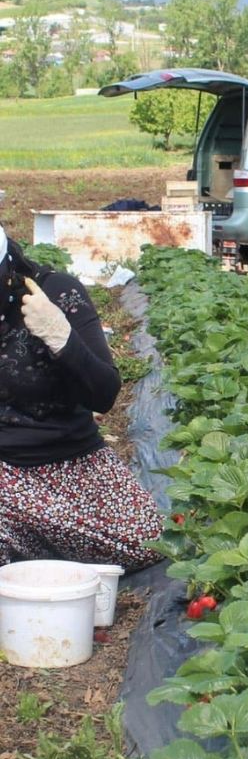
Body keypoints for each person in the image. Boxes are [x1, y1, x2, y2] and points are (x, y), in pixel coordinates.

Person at [0, 226, 161, 570]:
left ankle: (29, 550)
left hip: (73, 463)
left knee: (145, 542)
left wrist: (61, 336)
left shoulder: (57, 293)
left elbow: (103, 394)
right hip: (3, 473)